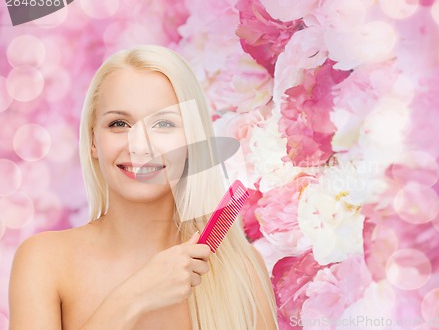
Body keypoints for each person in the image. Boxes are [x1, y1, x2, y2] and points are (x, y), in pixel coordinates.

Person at [8, 45, 278, 330]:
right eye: (119, 123)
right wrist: (134, 298)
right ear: (93, 141)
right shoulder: (44, 261)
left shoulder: (241, 269)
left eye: (163, 124)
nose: (140, 146)